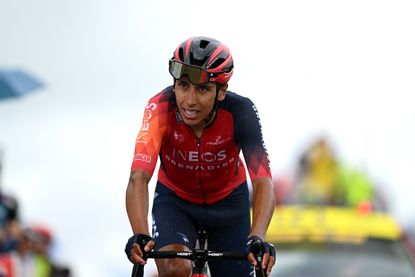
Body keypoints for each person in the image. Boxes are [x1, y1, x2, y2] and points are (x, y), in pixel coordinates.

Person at [125, 36, 276, 277]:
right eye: (183, 85)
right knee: (174, 268)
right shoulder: (161, 107)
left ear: (221, 91)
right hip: (175, 202)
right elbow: (138, 177)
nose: (190, 100)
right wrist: (140, 235)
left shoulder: (241, 111)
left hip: (229, 204)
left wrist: (257, 236)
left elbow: (263, 182)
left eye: (203, 89)